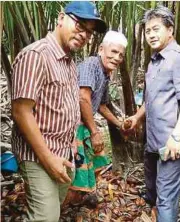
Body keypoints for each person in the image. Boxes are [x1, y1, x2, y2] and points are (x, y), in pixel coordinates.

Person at [11, 2, 107, 221]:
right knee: (45, 216)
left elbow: (66, 105)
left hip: (64, 151)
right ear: (61, 18)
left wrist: (72, 143)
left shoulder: (70, 63)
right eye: (80, 25)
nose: (84, 35)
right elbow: (20, 112)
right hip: (37, 153)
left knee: (55, 206)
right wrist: (48, 158)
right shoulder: (36, 55)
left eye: (89, 32)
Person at [123, 6, 180, 222]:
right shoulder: (155, 60)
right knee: (153, 191)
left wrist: (177, 136)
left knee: (166, 196)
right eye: (147, 31)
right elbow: (152, 99)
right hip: (154, 139)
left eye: (156, 29)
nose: (151, 35)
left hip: (172, 140)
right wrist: (137, 118)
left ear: (170, 29)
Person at [68, 31, 127, 208]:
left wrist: (119, 124)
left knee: (94, 165)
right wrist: (95, 132)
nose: (117, 58)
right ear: (101, 49)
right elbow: (83, 98)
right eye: (114, 52)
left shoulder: (105, 73)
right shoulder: (91, 65)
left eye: (121, 55)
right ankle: (62, 207)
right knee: (75, 172)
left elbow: (101, 105)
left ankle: (77, 202)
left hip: (83, 126)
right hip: (72, 126)